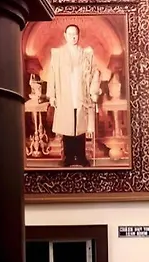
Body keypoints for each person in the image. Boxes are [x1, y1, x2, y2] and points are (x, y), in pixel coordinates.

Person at [47, 24, 101, 167]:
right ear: (65, 35)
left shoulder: (86, 54)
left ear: (78, 35)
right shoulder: (58, 54)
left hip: (81, 93)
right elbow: (52, 75)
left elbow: (95, 71)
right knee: (68, 127)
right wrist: (52, 95)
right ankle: (69, 157)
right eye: (70, 34)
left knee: (80, 126)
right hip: (65, 94)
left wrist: (94, 90)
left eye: (75, 34)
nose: (73, 37)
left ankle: (81, 156)